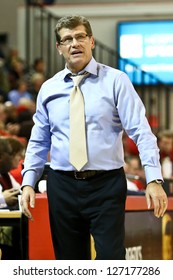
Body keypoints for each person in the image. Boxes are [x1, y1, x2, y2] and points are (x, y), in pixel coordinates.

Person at [20, 15, 168, 260]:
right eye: (67, 39)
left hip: (106, 185)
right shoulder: (48, 88)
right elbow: (38, 141)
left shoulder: (116, 81)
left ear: (92, 41)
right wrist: (28, 182)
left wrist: (153, 178)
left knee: (111, 261)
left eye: (80, 37)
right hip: (61, 185)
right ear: (59, 48)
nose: (74, 43)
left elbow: (141, 131)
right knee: (70, 264)